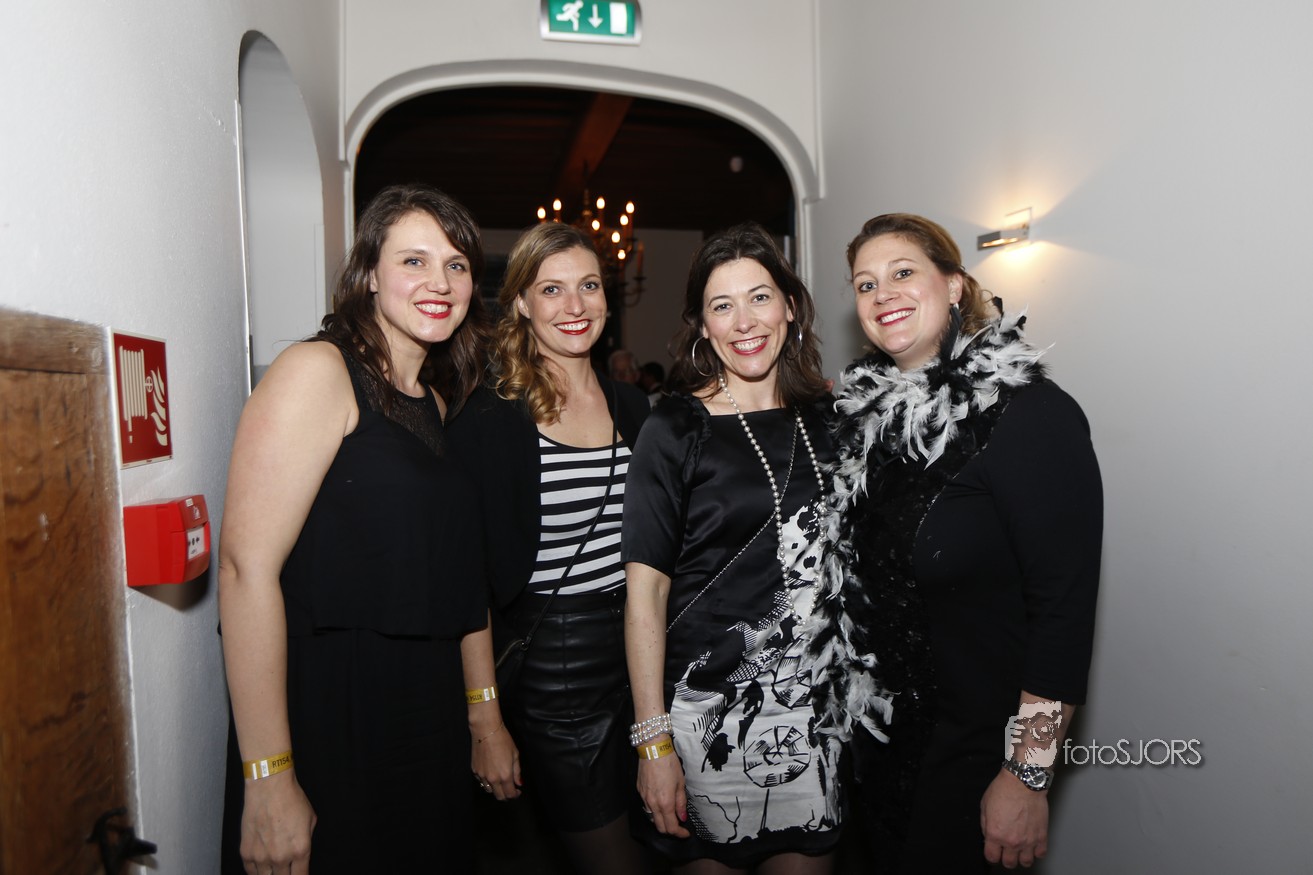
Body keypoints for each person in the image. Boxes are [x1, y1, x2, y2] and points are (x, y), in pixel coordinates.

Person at [807, 213, 1103, 872]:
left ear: (954, 285)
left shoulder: (1029, 414)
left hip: (974, 757)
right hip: (877, 749)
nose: (882, 293)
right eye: (865, 283)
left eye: (902, 272)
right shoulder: (866, 425)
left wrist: (1027, 774)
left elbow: (1063, 614)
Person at [218, 184, 489, 874]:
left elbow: (454, 580)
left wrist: (479, 712)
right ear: (369, 273)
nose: (439, 282)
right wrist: (268, 775)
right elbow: (246, 568)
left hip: (422, 708)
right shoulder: (317, 371)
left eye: (456, 265)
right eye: (414, 261)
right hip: (335, 709)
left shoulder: (431, 401)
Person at [623, 223, 841, 874]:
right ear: (702, 325)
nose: (744, 322)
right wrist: (653, 742)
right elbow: (644, 595)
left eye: (760, 297)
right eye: (722, 305)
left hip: (810, 709)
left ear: (790, 307)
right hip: (704, 711)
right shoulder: (674, 427)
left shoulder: (827, 419)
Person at [446, 222, 651, 875]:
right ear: (521, 303)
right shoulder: (491, 416)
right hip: (559, 670)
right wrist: (485, 722)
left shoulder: (635, 407)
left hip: (648, 657)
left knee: (663, 840)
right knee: (609, 857)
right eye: (552, 289)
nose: (575, 305)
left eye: (589, 285)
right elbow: (467, 585)